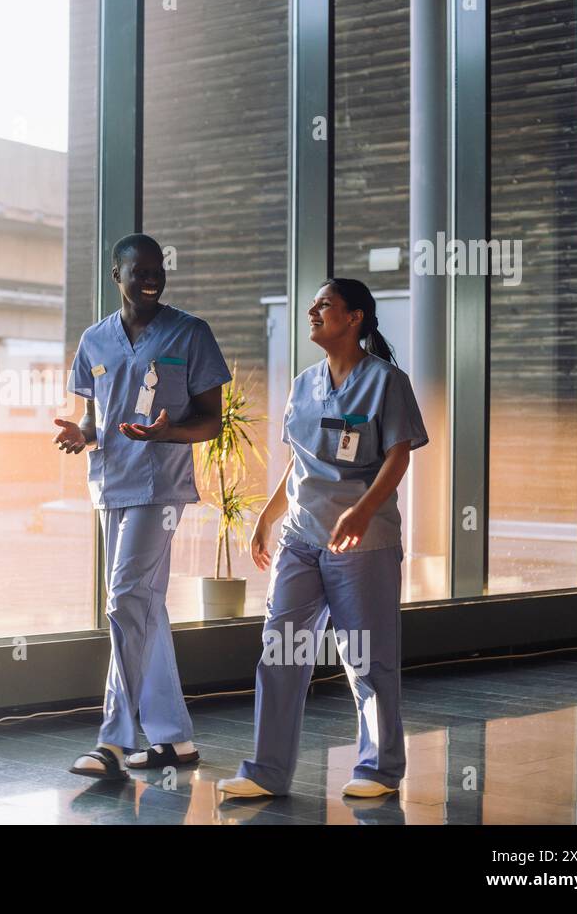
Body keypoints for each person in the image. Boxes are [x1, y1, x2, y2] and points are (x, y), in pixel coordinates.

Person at [217, 277, 428, 800]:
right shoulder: (304, 382)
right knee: (280, 653)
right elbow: (300, 461)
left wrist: (362, 510)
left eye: (325, 305)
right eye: (312, 304)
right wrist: (268, 516)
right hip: (301, 537)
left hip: (364, 541)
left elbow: (399, 453)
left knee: (366, 656)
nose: (313, 311)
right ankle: (266, 772)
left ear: (354, 317)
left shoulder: (387, 382)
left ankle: (379, 769)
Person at [53, 233, 231, 781]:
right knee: (145, 606)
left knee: (126, 597)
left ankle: (113, 740)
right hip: (110, 486)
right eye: (140, 271)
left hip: (161, 489)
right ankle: (174, 740)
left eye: (158, 270)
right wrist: (82, 435)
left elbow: (212, 420)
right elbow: (93, 418)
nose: (151, 278)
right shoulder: (94, 341)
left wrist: (171, 431)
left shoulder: (190, 332)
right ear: (117, 276)